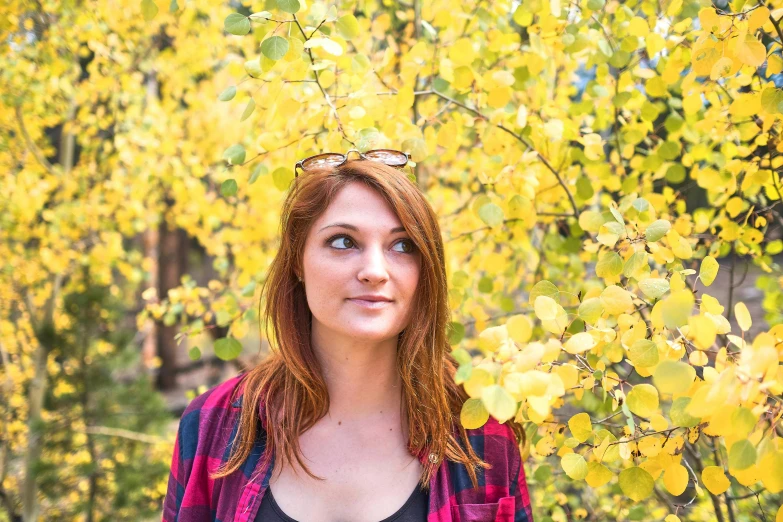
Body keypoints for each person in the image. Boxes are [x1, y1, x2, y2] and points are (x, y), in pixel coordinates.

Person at [162, 149, 534, 522]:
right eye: (343, 241)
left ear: (426, 270)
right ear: (297, 262)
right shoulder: (212, 425)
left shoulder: (481, 436)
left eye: (403, 245)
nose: (375, 270)